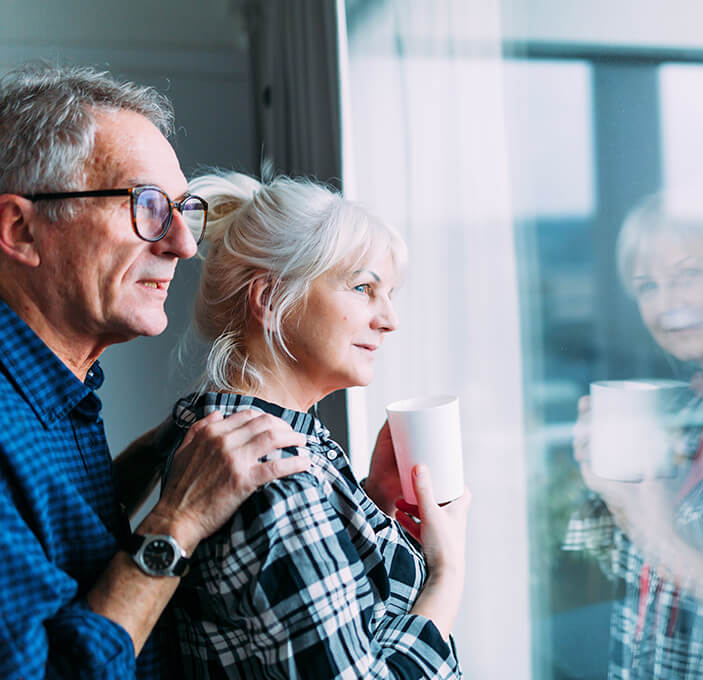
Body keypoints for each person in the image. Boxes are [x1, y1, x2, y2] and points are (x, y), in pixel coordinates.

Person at [0, 63, 313, 678]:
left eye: (181, 209)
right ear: (20, 228)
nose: (183, 244)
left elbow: (49, 552)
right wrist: (177, 521)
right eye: (146, 205)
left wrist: (155, 461)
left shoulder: (57, 393)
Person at [160, 169, 471, 678]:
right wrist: (447, 574)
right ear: (270, 299)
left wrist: (371, 503)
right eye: (364, 287)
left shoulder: (254, 432)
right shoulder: (266, 471)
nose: (389, 318)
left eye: (389, 293)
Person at [564, 186, 703, 679]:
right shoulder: (687, 416)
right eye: (647, 286)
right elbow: (616, 569)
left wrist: (660, 530)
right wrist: (609, 490)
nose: (666, 305)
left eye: (688, 276)